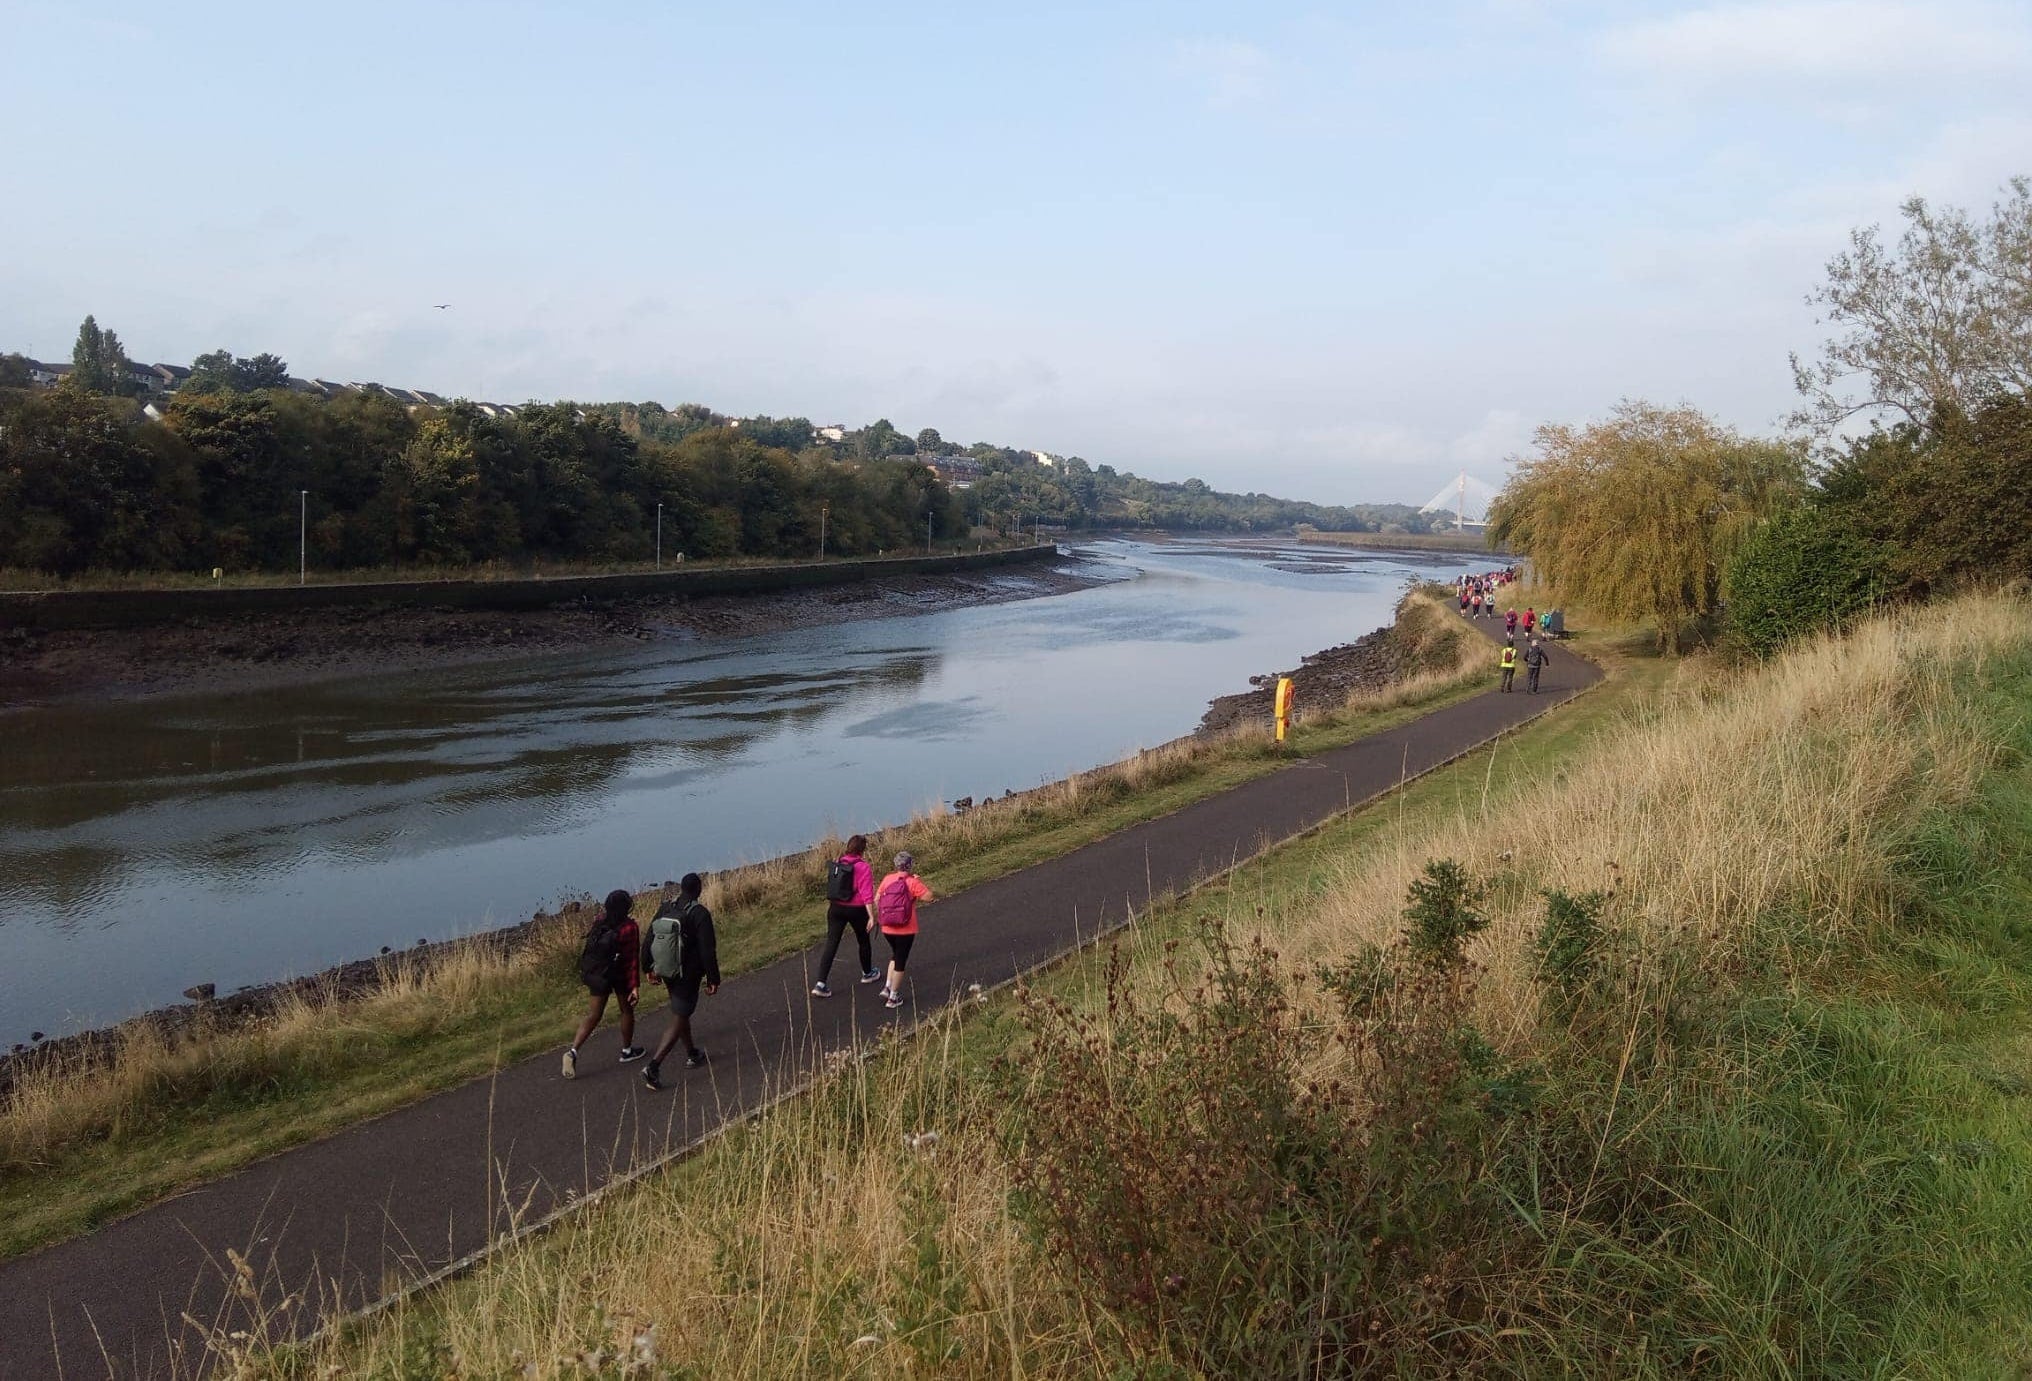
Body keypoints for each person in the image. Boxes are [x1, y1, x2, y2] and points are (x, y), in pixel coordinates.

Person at [641, 873, 719, 1087]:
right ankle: (653, 1067)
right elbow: (707, 950)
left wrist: (647, 967)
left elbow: (649, 938)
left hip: (667, 970)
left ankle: (692, 1053)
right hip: (688, 974)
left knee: (680, 1011)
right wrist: (713, 978)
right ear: (699, 890)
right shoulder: (700, 913)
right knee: (679, 1016)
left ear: (682, 888)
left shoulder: (666, 907)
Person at [563, 889, 642, 1079]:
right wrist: (634, 986)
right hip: (620, 975)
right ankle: (626, 1051)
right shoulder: (630, 927)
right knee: (626, 1011)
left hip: (599, 975)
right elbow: (632, 960)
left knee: (594, 1015)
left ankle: (573, 1051)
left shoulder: (599, 921)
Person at [811, 834, 881, 997]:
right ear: (862, 850)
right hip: (856, 909)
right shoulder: (863, 867)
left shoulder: (839, 862)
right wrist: (872, 916)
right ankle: (868, 973)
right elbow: (866, 894)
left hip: (835, 908)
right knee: (863, 941)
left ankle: (820, 983)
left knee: (831, 943)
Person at [874, 851, 935, 1010]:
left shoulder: (887, 879)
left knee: (895, 955)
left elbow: (877, 898)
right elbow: (929, 896)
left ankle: (887, 986)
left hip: (887, 927)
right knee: (901, 961)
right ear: (909, 865)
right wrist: (917, 883)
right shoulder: (911, 882)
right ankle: (893, 997)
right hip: (905, 929)